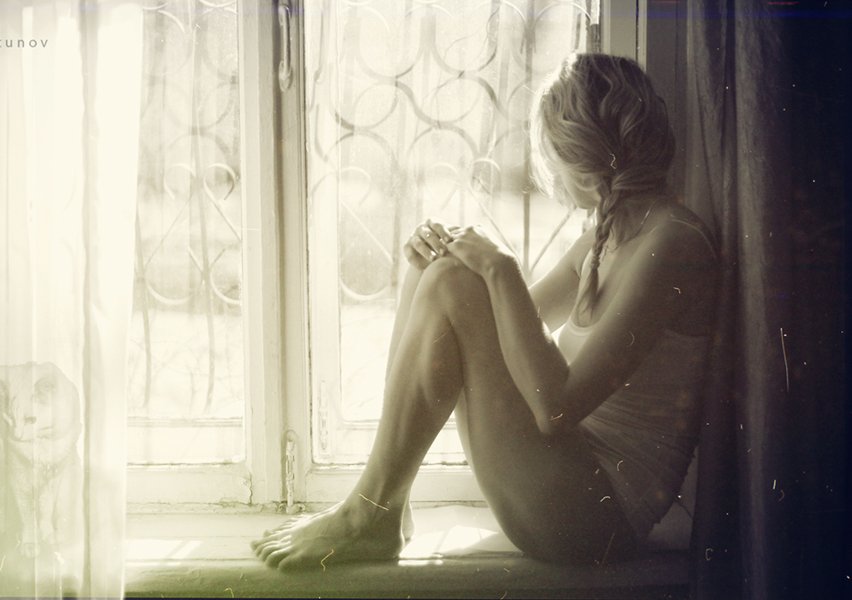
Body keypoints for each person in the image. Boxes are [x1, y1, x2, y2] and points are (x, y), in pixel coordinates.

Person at [252, 53, 718, 570]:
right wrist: (430, 261)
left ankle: (371, 510)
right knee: (442, 271)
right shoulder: (605, 237)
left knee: (456, 280)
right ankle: (383, 503)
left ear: (583, 166)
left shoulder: (672, 245)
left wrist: (500, 269)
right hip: (566, 484)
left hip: (598, 518)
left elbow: (556, 409)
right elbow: (492, 330)